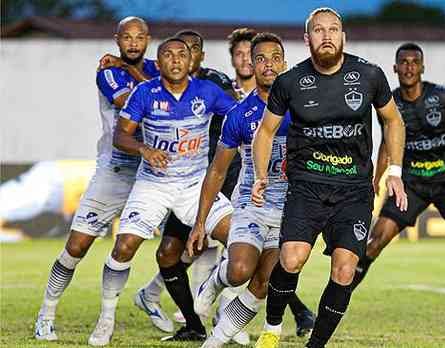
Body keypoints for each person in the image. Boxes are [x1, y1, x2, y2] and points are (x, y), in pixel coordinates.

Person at [251, 8, 407, 348]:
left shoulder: (369, 75)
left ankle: (315, 345)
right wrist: (260, 175)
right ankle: (272, 327)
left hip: (354, 191)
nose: (327, 36)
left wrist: (394, 171)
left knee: (345, 270)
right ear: (307, 39)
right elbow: (265, 132)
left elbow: (393, 121)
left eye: (333, 30)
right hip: (306, 186)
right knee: (290, 259)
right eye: (318, 31)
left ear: (343, 36)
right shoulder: (289, 82)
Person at [87, 37, 236, 346]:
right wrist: (143, 148)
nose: (177, 60)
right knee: (124, 246)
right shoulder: (144, 92)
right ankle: (106, 318)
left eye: (182, 54)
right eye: (168, 55)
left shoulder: (207, 92)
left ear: (191, 60)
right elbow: (120, 135)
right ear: (160, 62)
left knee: (240, 242)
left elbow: (242, 115)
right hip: (152, 184)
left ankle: (211, 291)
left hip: (195, 184)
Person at [350, 42, 445, 337]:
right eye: (403, 62)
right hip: (410, 185)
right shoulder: (389, 102)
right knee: (375, 243)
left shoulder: (443, 95)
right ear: (395, 68)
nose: (409, 67)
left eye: (415, 62)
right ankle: (337, 302)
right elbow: (387, 143)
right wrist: (376, 179)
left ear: (423, 67)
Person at [33, 17, 162, 341]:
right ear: (117, 39)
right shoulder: (107, 71)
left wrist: (132, 68)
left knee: (152, 244)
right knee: (77, 246)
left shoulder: (159, 68)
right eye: (127, 38)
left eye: (140, 37)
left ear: (148, 39)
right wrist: (129, 70)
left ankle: (127, 309)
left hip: (154, 172)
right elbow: (130, 103)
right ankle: (46, 312)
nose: (133, 43)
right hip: (115, 168)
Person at [186, 33, 314, 348]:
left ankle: (214, 341)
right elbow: (217, 170)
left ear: (284, 63)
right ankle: (216, 280)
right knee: (241, 270)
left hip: (290, 209)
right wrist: (201, 222)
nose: (268, 64)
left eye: (275, 57)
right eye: (260, 59)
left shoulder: (304, 110)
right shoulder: (239, 115)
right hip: (251, 204)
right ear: (251, 64)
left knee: (264, 282)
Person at [228, 28, 257, 99]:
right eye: (239, 54)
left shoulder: (272, 95)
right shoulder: (221, 92)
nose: (245, 58)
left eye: (250, 54)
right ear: (232, 60)